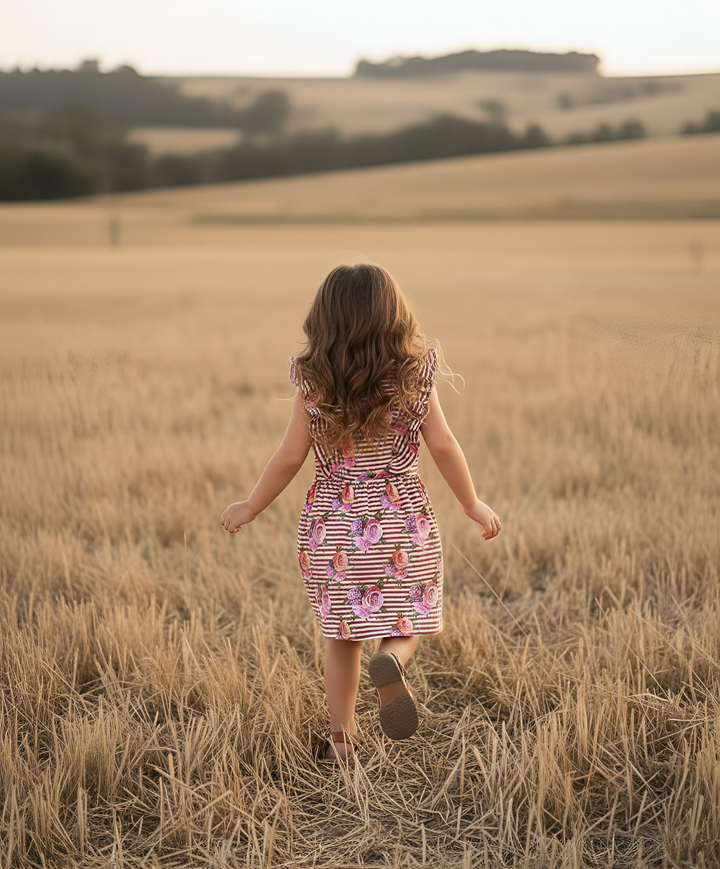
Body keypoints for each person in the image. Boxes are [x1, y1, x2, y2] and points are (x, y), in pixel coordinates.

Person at [220, 264, 501, 760]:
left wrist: (251, 505)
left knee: (342, 637)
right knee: (406, 621)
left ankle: (342, 741)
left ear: (322, 322)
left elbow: (288, 456)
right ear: (396, 319)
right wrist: (472, 503)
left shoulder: (314, 383)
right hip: (400, 521)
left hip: (335, 525)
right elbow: (444, 445)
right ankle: (390, 660)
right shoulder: (415, 376)